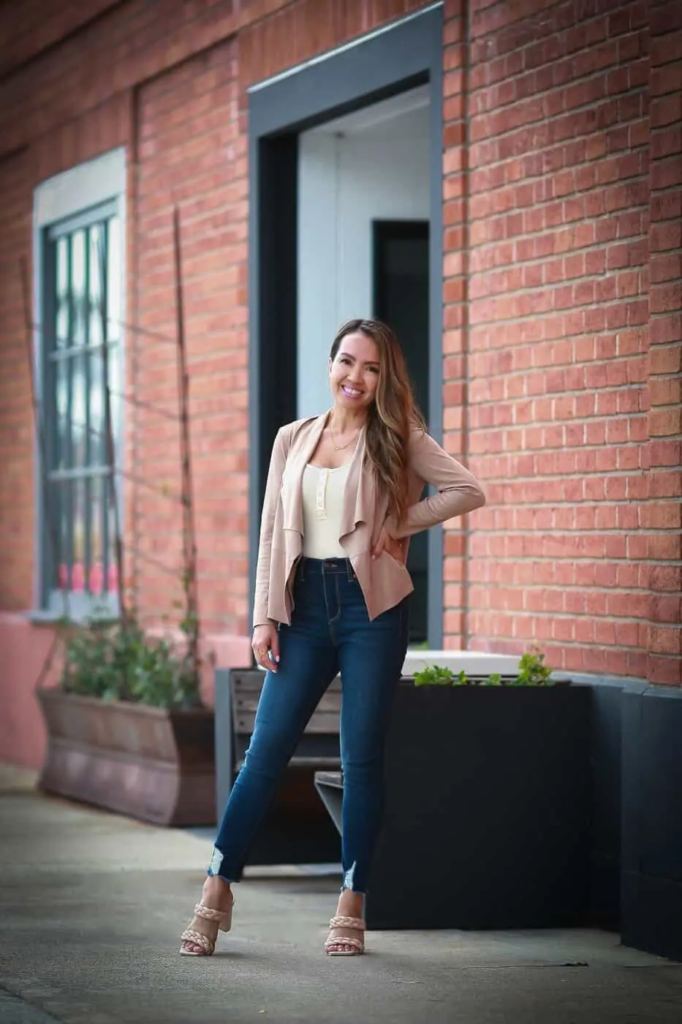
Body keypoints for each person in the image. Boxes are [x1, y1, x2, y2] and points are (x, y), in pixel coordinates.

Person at [180, 317, 485, 958]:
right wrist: (264, 616)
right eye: (348, 362)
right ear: (330, 365)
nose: (356, 377)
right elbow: (270, 533)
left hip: (370, 611)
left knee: (360, 760)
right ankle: (216, 888)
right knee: (262, 758)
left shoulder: (397, 437)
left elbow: (466, 490)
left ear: (384, 378)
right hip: (302, 612)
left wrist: (400, 520)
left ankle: (351, 901)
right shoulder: (292, 438)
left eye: (371, 368)